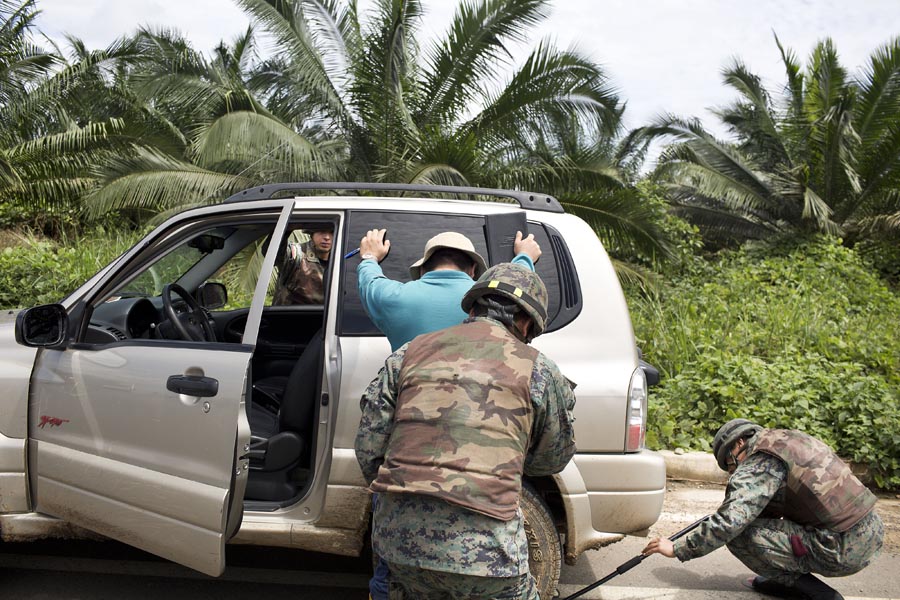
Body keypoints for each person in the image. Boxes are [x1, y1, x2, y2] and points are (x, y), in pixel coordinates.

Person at [355, 263, 576, 600]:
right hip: (489, 558)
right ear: (528, 323)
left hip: (398, 545)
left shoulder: (408, 353)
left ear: (472, 307)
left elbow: (369, 449)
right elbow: (551, 459)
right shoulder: (540, 370)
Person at [642, 418, 884, 600]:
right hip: (871, 530)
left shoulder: (760, 461)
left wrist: (678, 548)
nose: (733, 472)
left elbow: (730, 523)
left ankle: (814, 593)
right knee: (748, 524)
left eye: (729, 464)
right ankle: (788, 579)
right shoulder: (789, 439)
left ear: (739, 444)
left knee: (739, 536)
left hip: (843, 548)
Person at [356, 229, 541, 351]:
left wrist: (370, 256)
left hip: (411, 402)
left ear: (421, 269)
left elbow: (369, 280)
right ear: (473, 270)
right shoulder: (489, 299)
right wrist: (524, 257)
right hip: (479, 405)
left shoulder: (392, 297)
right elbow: (514, 289)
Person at [273, 224, 333, 305]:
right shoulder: (296, 253)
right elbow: (273, 253)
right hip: (292, 315)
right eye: (321, 232)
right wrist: (286, 230)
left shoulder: (341, 259)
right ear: (312, 235)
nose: (327, 237)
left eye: (332, 232)